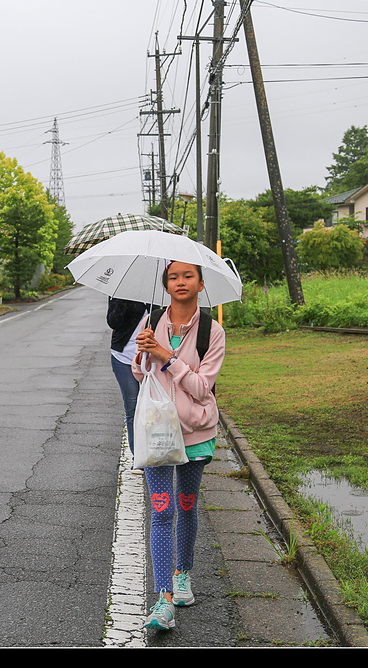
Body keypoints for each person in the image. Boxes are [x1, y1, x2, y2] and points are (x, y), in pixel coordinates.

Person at [133, 260, 225, 631]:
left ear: (201, 284)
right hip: (157, 431)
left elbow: (203, 388)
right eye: (173, 277)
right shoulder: (151, 322)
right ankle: (164, 598)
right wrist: (143, 354)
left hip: (195, 431)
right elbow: (141, 374)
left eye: (188, 276)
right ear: (166, 284)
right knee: (163, 509)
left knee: (187, 505)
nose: (181, 281)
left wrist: (166, 356)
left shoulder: (212, 331)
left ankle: (182, 574)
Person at [106, 297, 150, 463]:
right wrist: (122, 297)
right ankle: (138, 457)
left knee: (153, 407)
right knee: (132, 406)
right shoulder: (120, 291)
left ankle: (155, 452)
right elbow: (113, 322)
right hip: (123, 357)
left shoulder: (157, 290)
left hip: (151, 358)